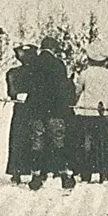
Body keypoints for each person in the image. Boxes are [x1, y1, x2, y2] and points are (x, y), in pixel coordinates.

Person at [70, 38, 108, 183]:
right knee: (105, 143)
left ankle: (86, 172)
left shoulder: (84, 74)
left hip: (87, 112)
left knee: (87, 144)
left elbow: (78, 91)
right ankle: (104, 172)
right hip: (104, 113)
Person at [30, 36, 77, 190]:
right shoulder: (58, 64)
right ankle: (65, 176)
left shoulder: (33, 63)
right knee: (58, 142)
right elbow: (63, 88)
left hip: (37, 110)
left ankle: (36, 176)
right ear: (53, 48)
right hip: (55, 110)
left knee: (38, 142)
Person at [5, 42, 38, 186]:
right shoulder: (38, 73)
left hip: (20, 110)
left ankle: (16, 172)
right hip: (36, 110)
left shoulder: (13, 73)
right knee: (35, 139)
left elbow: (11, 93)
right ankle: (35, 171)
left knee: (18, 139)